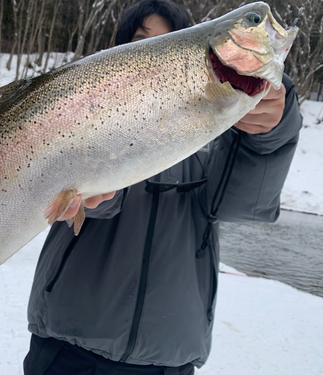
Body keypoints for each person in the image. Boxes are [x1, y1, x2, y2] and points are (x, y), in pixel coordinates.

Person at [23, 1, 302, 374]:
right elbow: (81, 205)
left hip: (170, 361)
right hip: (66, 351)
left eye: (171, 40)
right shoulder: (81, 120)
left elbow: (243, 206)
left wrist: (270, 133)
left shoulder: (214, 135)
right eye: (143, 40)